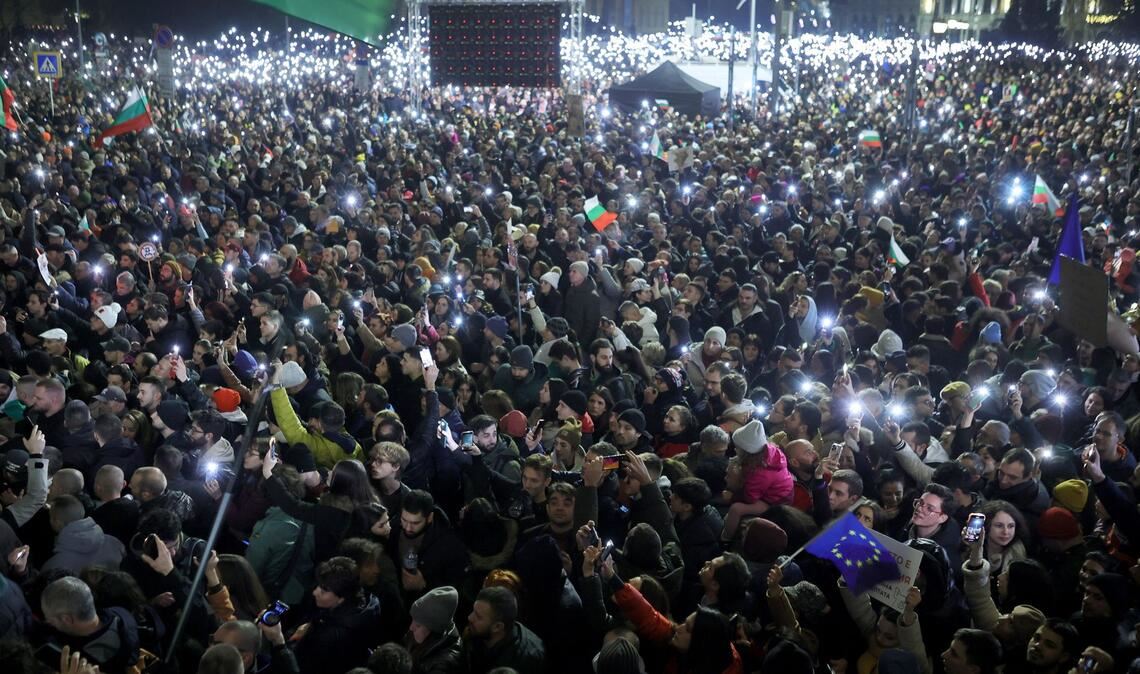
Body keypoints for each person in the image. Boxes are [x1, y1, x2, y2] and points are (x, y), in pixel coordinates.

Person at [292, 556, 382, 674]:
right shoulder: (366, 607)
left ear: (341, 599)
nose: (315, 592)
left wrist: (281, 644)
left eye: (323, 591)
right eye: (318, 586)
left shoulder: (330, 637)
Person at [463, 586, 546, 674]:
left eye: (478, 617)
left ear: (497, 627)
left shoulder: (527, 659)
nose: (470, 617)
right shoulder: (475, 633)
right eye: (473, 611)